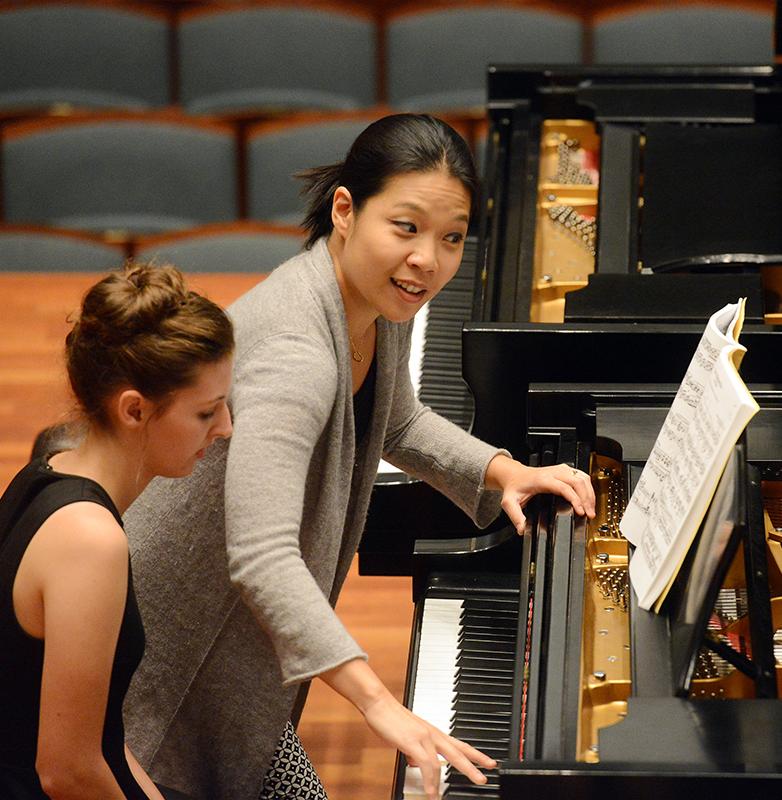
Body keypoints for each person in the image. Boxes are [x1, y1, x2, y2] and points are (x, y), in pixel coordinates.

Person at [122, 113, 596, 800]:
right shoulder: (298, 356)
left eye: (451, 238)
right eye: (405, 228)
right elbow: (262, 554)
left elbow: (397, 418)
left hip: (231, 659)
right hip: (161, 674)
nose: (427, 260)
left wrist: (505, 472)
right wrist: (379, 702)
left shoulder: (370, 306)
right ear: (345, 209)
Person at [0, 263, 234, 800]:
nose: (224, 429)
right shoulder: (90, 541)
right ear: (134, 410)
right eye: (205, 412)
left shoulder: (49, 468)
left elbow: (99, 734)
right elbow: (66, 773)